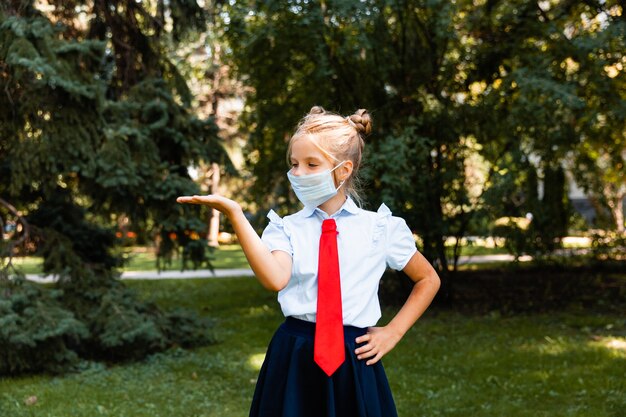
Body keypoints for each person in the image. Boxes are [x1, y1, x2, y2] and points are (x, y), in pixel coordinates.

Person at [177, 106, 441, 417]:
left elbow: (428, 279)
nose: (297, 173)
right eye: (294, 164)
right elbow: (275, 279)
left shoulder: (380, 228)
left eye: (311, 164)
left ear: (343, 170)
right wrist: (236, 215)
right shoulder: (285, 227)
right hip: (294, 356)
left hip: (354, 358)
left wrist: (393, 331)